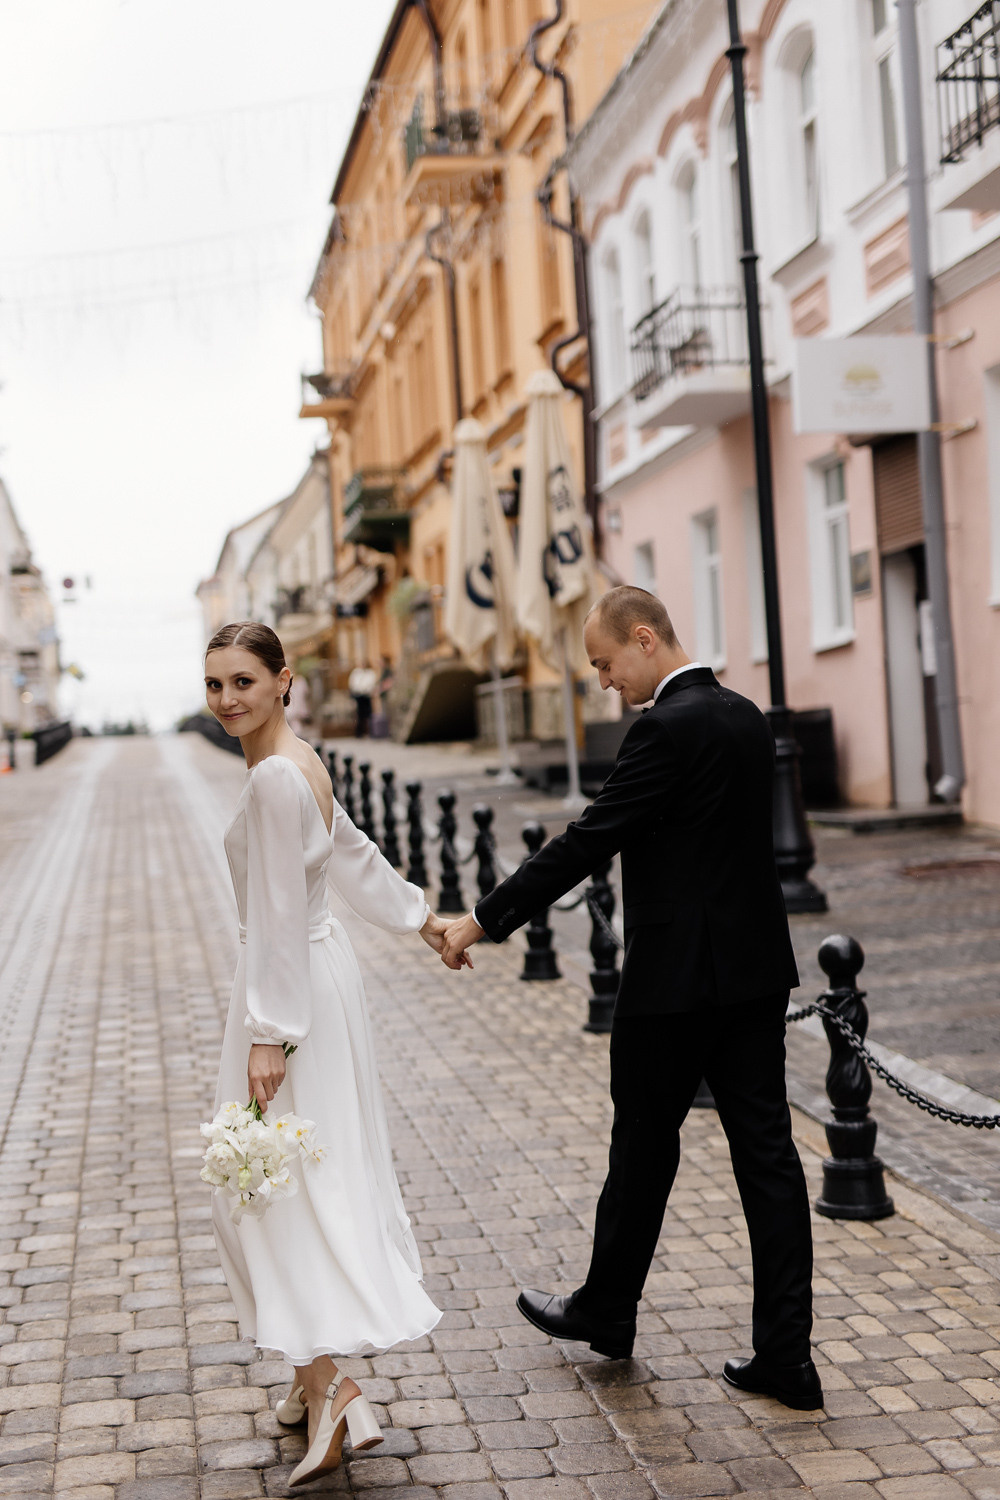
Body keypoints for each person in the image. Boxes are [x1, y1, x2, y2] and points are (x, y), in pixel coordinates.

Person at [440, 586, 821, 1413]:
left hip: (675, 986)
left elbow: (588, 838)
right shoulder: (749, 717)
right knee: (771, 1160)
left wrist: (482, 919)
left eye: (606, 663)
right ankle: (788, 1356)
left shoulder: (664, 727)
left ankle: (608, 1310)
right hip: (756, 976)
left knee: (642, 1152)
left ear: (644, 639)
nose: (606, 681)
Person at [203, 621, 450, 1485]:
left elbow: (277, 906)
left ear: (284, 681)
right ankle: (309, 1387)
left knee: (257, 1191)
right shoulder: (303, 759)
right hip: (320, 974)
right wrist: (423, 921)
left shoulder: (275, 776)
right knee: (292, 1182)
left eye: (243, 681)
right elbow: (354, 855)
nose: (228, 700)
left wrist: (268, 1034)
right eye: (214, 685)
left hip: (288, 989)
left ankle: (331, 1386)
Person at [348, 660, 377, 738]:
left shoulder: (370, 673)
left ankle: (370, 731)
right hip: (358, 695)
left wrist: (366, 690)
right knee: (359, 714)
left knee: (368, 714)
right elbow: (352, 682)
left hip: (366, 695)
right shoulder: (356, 672)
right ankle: (359, 733)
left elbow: (371, 683)